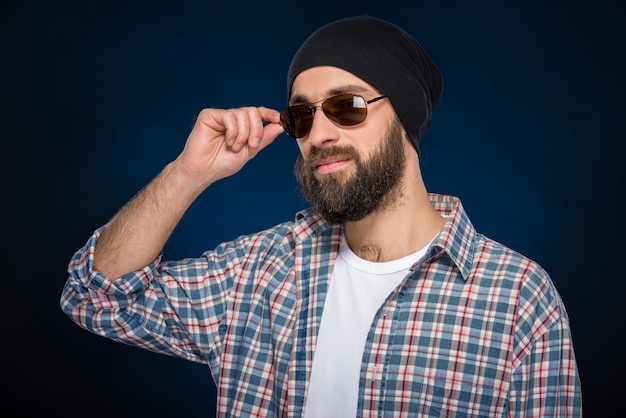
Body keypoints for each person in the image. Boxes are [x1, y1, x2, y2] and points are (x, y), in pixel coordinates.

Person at [60, 15, 582, 417]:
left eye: (347, 106)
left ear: (405, 118)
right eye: (301, 115)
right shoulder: (260, 271)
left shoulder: (517, 298)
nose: (320, 133)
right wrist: (187, 173)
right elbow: (96, 297)